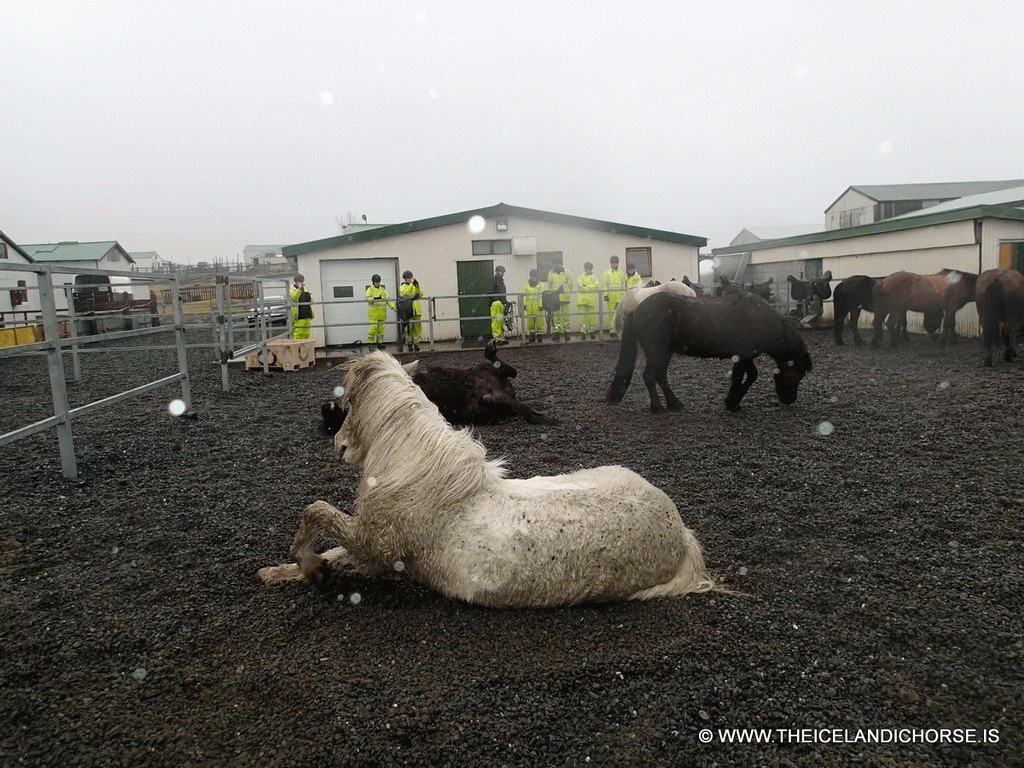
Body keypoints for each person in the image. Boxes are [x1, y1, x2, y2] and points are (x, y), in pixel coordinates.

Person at [365, 274, 395, 349]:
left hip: (382, 313)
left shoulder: (383, 290)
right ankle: (371, 344)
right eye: (376, 282)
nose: (377, 283)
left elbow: (388, 299)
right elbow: (367, 299)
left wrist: (392, 306)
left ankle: (379, 343)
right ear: (373, 282)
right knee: (373, 328)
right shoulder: (370, 290)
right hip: (374, 314)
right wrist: (374, 298)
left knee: (381, 329)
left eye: (378, 282)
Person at [398, 270, 424, 351]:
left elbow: (420, 294)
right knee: (409, 327)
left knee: (417, 327)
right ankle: (409, 343)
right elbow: (407, 293)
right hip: (408, 309)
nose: (411, 280)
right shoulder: (403, 287)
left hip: (416, 310)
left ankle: (416, 343)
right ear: (405, 279)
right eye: (409, 278)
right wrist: (411, 285)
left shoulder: (414, 286)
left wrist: (417, 286)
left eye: (411, 278)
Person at [546, 262, 573, 340]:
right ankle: (557, 333)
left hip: (564, 297)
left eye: (559, 264)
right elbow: (550, 285)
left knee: (565, 316)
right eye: (556, 264)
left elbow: (570, 284)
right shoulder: (550, 274)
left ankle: (566, 332)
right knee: (556, 317)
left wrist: (567, 291)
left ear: (561, 264)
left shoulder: (567, 273)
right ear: (554, 265)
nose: (558, 265)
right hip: (555, 299)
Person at [602, 256, 627, 337]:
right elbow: (605, 284)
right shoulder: (607, 273)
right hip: (611, 296)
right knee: (611, 313)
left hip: (620, 296)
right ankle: (612, 330)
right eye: (613, 263)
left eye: (615, 263)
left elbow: (624, 284)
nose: (614, 264)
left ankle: (619, 329)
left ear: (617, 263)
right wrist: (605, 294)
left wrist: (624, 294)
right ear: (611, 264)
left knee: (619, 313)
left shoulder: (621, 273)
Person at [576, 261, 600, 340]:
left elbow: (596, 286)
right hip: (582, 300)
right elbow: (579, 286)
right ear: (584, 269)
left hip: (590, 300)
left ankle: (592, 332)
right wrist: (589, 287)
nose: (587, 270)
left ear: (591, 269)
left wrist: (585, 286)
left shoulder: (594, 277)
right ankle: (583, 332)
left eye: (589, 268)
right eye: (586, 268)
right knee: (582, 317)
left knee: (591, 317)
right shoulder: (580, 277)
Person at [522, 269, 546, 343]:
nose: (533, 278)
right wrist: (524, 304)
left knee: (539, 322)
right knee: (530, 323)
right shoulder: (526, 285)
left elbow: (542, 296)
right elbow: (524, 296)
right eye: (532, 276)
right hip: (530, 307)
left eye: (534, 276)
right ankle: (531, 335)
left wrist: (541, 305)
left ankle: (539, 336)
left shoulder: (541, 285)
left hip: (538, 307)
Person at [289, 274, 313, 340]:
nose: (301, 283)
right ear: (296, 282)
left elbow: (311, 301)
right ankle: (297, 348)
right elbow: (294, 298)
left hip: (307, 315)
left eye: (302, 282)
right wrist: (299, 289)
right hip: (299, 316)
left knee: (306, 333)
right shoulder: (292, 290)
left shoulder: (305, 290)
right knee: (298, 334)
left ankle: (304, 348)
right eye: (299, 282)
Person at [489, 265, 509, 344]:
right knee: (496, 321)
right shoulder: (493, 281)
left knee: (500, 321)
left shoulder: (502, 283)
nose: (502, 273)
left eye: (503, 272)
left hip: (501, 303)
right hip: (496, 303)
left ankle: (501, 338)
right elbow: (490, 292)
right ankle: (497, 339)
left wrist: (505, 302)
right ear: (497, 272)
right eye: (501, 272)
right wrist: (497, 299)